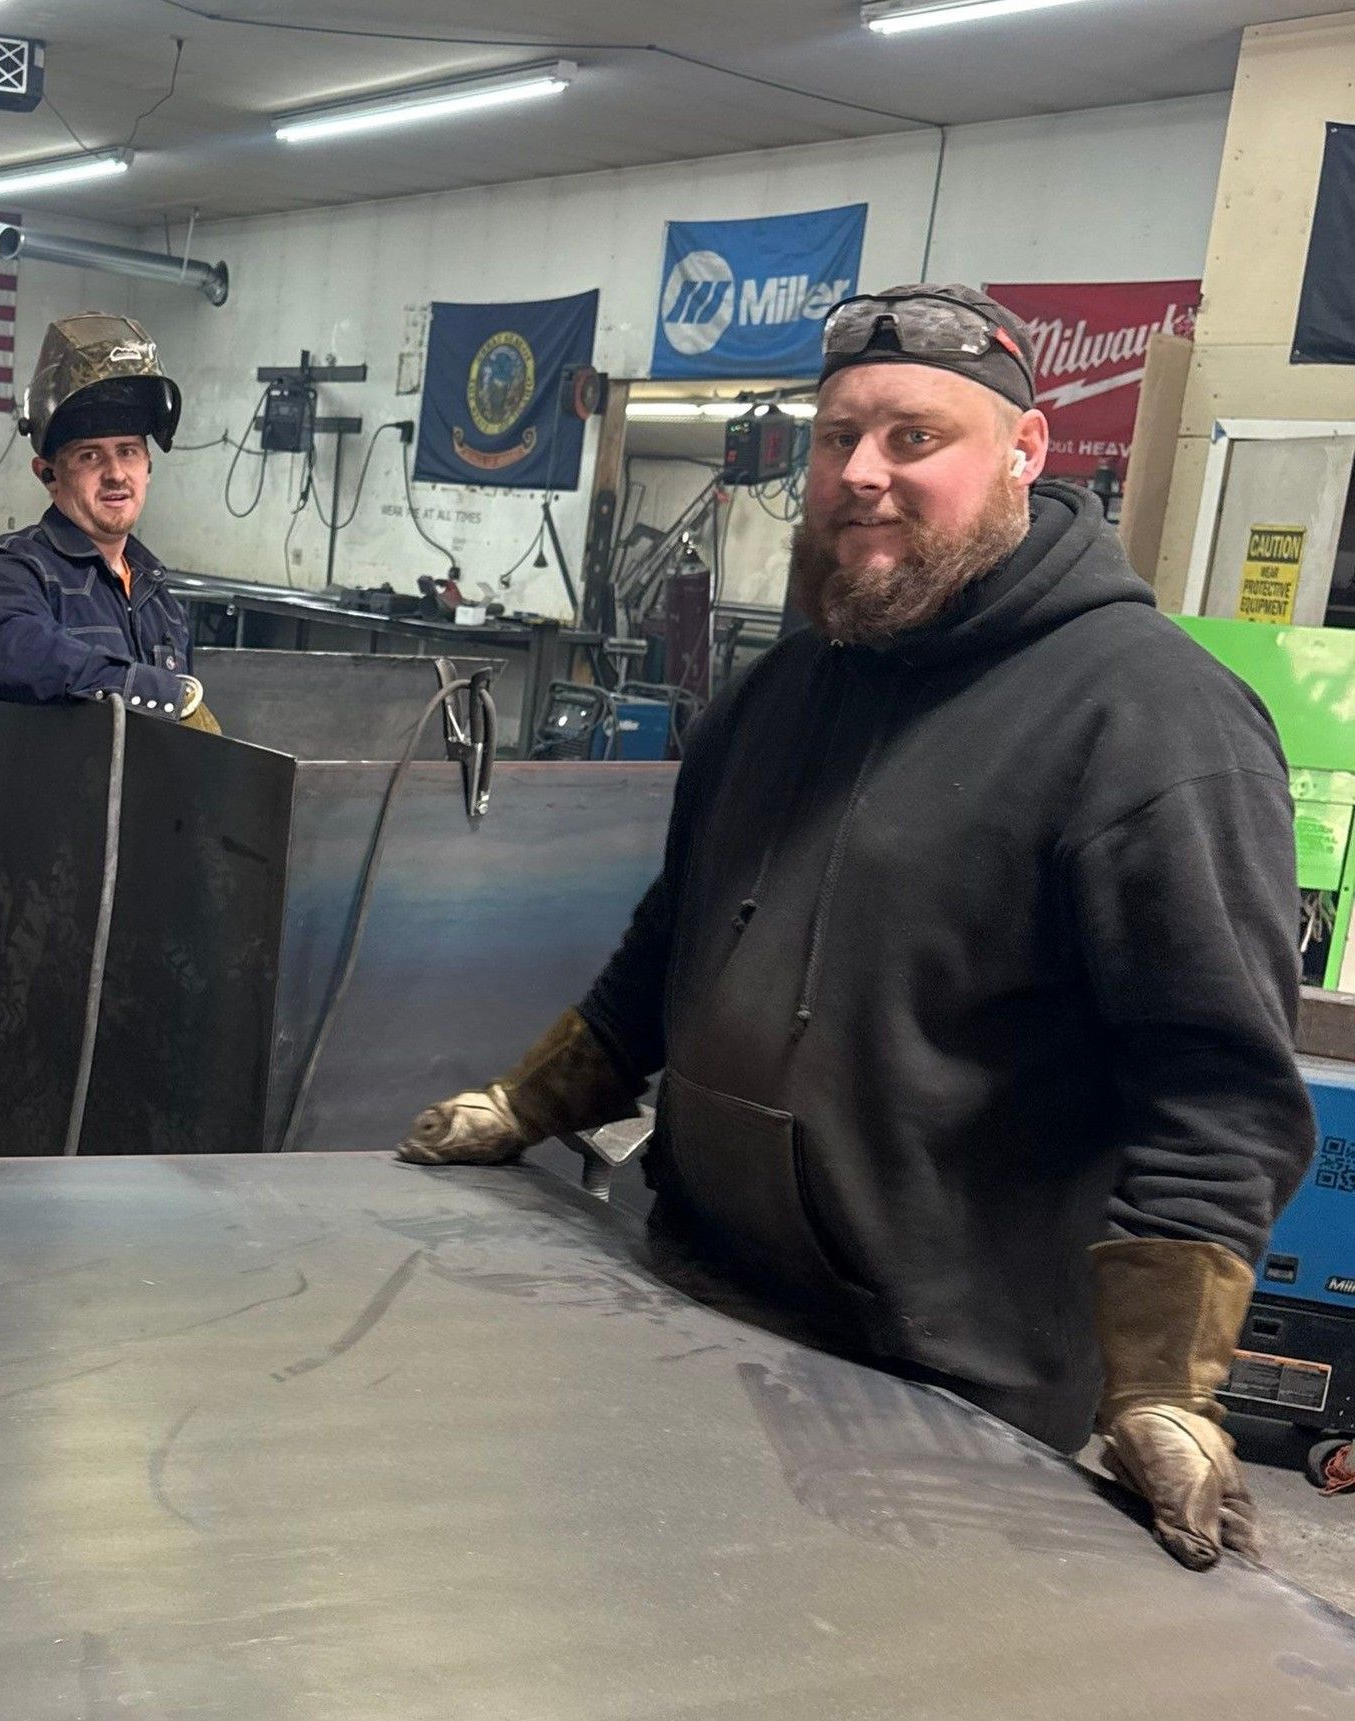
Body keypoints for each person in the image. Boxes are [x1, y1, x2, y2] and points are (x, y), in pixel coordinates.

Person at [397, 284, 1316, 1572]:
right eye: (838, 439)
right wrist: (529, 1101)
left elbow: (1217, 1089)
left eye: (911, 438)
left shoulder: (1149, 723)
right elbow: (677, 939)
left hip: (949, 1391)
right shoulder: (786, 684)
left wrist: (1163, 1384)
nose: (861, 475)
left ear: (1024, 451)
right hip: (695, 1297)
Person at [0, 313, 218, 730]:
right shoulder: (12, 572)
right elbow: (6, 648)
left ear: (148, 467)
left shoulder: (160, 599)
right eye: (89, 455)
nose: (116, 473)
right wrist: (153, 691)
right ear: (49, 474)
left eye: (128, 451)